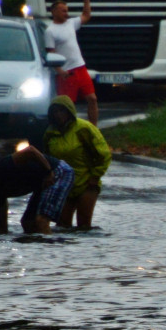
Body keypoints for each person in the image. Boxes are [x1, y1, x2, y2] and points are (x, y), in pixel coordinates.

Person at [0, 145, 74, 235]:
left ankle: (53, 256)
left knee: (41, 221)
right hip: (41, 183)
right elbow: (2, 225)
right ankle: (41, 253)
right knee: (27, 223)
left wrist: (49, 172)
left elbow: (31, 150)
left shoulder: (3, 166)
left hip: (58, 172)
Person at [43, 95, 111, 229]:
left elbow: (104, 154)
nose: (58, 115)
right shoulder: (50, 133)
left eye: (61, 111)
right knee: (62, 226)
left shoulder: (84, 128)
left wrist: (95, 176)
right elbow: (47, 158)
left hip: (86, 183)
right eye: (55, 112)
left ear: (69, 111)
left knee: (84, 227)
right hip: (63, 186)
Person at [45, 0, 99, 126]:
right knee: (68, 106)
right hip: (66, 72)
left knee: (92, 98)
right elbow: (50, 54)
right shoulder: (50, 31)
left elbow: (86, 15)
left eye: (67, 11)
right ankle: (69, 130)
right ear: (54, 11)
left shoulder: (71, 23)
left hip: (80, 67)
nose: (66, 13)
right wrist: (60, 71)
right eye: (63, 11)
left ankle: (94, 129)